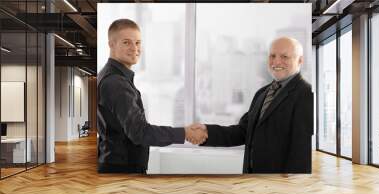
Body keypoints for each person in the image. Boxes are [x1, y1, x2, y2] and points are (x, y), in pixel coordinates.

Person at [189, 37, 313, 173]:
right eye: (272, 56)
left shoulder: (306, 94)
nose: (276, 61)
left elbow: (302, 151)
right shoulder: (262, 93)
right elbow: (243, 131)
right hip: (253, 179)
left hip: (280, 186)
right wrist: (207, 132)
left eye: (284, 56)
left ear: (300, 60)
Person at [97, 19, 205, 174]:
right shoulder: (116, 83)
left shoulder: (112, 76)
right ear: (111, 44)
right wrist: (185, 133)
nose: (135, 48)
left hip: (115, 164)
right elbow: (140, 133)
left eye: (138, 42)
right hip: (121, 169)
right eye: (126, 42)